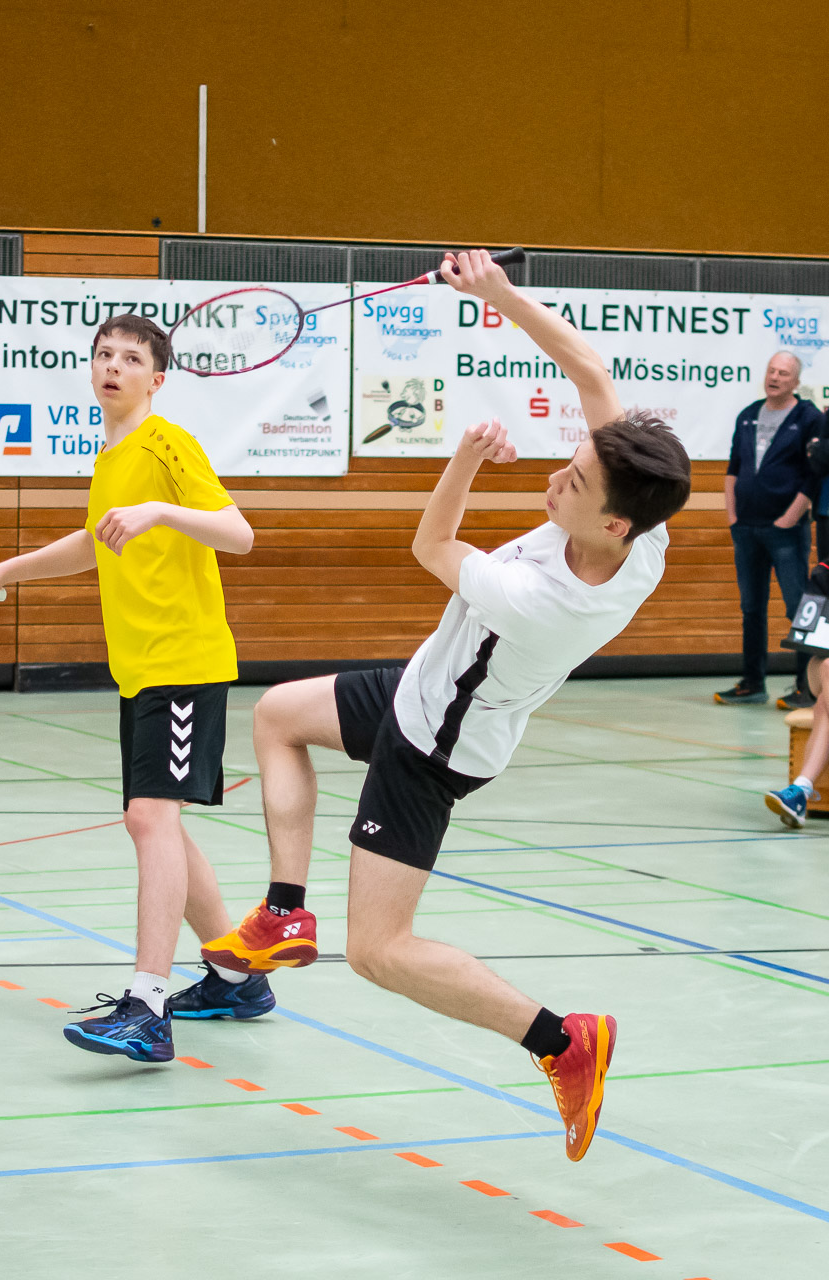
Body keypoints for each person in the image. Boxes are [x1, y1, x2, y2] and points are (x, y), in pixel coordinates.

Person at [200, 250, 692, 1162]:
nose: (557, 481)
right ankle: (283, 911)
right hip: (427, 684)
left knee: (379, 951)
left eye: (574, 485)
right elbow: (588, 368)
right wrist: (500, 296)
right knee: (278, 715)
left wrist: (464, 459)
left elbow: (432, 544)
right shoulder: (641, 524)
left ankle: (562, 1040)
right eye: (569, 464)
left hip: (432, 746)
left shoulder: (544, 601)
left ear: (614, 524)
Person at [0, 315, 266, 1062]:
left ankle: (147, 1005)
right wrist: (2, 573)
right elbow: (96, 541)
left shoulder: (166, 444)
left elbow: (239, 533)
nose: (113, 366)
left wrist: (161, 510)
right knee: (160, 824)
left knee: (150, 819)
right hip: (142, 666)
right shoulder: (112, 454)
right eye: (103, 355)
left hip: (183, 661)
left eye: (130, 358)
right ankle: (236, 977)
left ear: (158, 379)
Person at [715, 352, 822, 709]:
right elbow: (734, 467)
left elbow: (813, 476)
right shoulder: (748, 414)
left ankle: (806, 688)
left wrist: (789, 518)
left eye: (783, 373)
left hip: (786, 531)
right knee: (751, 608)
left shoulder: (808, 417)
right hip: (746, 527)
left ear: (796, 381)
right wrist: (733, 515)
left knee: (798, 608)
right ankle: (752, 683)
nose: (775, 377)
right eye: (772, 371)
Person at [765, 561, 829, 828]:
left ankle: (801, 790)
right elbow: (807, 634)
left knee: (824, 704)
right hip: (823, 665)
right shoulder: (824, 573)